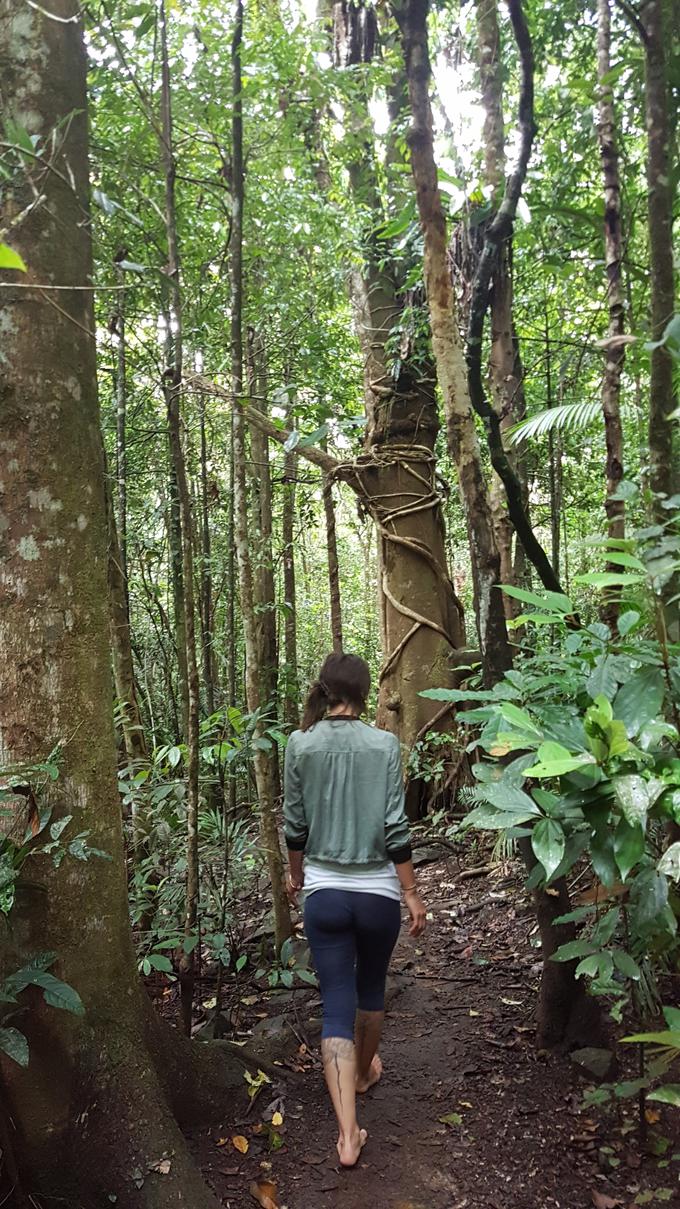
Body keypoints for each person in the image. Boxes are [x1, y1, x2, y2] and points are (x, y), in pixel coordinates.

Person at [283, 652, 427, 1168]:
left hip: (323, 892)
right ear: (365, 694)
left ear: (325, 690)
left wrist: (296, 876)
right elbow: (395, 826)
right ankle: (364, 1074)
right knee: (371, 988)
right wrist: (410, 891)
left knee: (336, 1004)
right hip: (379, 895)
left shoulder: (300, 744)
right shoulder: (385, 744)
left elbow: (294, 826)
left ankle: (347, 1137)